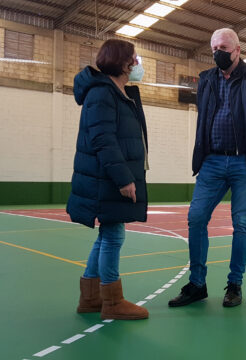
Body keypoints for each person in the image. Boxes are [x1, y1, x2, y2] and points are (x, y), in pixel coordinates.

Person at [168, 28, 246, 308]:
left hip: (245, 163)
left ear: (238, 50)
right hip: (212, 161)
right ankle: (197, 284)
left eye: (223, 48)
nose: (217, 52)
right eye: (214, 48)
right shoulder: (206, 79)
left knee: (240, 224)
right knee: (196, 218)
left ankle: (235, 285)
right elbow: (204, 115)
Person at [67, 39, 149, 320]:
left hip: (107, 177)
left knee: (107, 235)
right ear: (124, 62)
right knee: (114, 235)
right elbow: (104, 140)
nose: (138, 64)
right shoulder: (102, 93)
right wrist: (124, 179)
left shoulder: (117, 93)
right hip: (107, 179)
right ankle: (112, 302)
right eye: (135, 59)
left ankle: (90, 297)